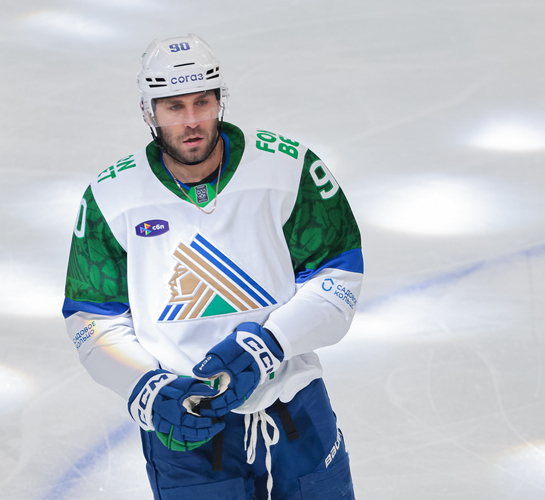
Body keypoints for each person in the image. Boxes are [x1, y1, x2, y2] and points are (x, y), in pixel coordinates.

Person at [62, 33, 362, 500]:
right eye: (174, 107)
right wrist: (145, 387)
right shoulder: (111, 197)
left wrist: (271, 344)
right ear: (148, 112)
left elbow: (339, 275)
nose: (191, 121)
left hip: (294, 404)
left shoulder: (288, 169)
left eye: (202, 102)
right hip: (183, 422)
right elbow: (92, 318)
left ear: (221, 100)